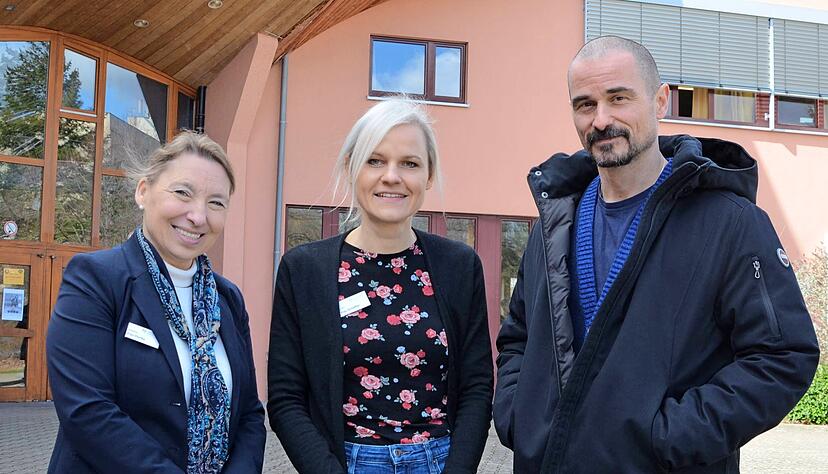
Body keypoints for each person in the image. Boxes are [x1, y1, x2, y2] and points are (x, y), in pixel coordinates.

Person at [494, 36, 820, 473]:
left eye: (619, 98)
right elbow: (518, 336)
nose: (601, 119)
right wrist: (519, 415)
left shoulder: (730, 223)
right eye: (585, 104)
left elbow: (783, 357)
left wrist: (668, 436)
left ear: (660, 100)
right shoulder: (555, 223)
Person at [268, 98, 493, 473]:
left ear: (429, 175)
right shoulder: (304, 269)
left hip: (438, 461)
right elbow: (285, 398)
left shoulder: (459, 266)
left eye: (410, 163)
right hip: (345, 462)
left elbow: (477, 386)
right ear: (350, 168)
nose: (392, 176)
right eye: (375, 160)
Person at [46, 132, 266, 473]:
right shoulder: (96, 279)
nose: (198, 215)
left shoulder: (228, 299)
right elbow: (87, 409)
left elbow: (250, 412)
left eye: (216, 202)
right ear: (143, 192)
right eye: (182, 193)